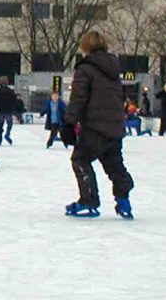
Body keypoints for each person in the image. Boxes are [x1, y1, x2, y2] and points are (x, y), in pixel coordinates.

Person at [61, 31, 134, 219]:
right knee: (114, 164)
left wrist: (69, 123)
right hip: (115, 128)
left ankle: (88, 200)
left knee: (80, 159)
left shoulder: (85, 69)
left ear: (85, 48)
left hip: (95, 127)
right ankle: (123, 199)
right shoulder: (113, 70)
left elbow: (78, 99)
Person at [0, 76, 19, 145]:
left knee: (0, 125)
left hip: (1, 110)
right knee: (9, 124)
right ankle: (7, 134)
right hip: (8, 110)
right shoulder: (10, 91)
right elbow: (14, 100)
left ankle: (0, 138)